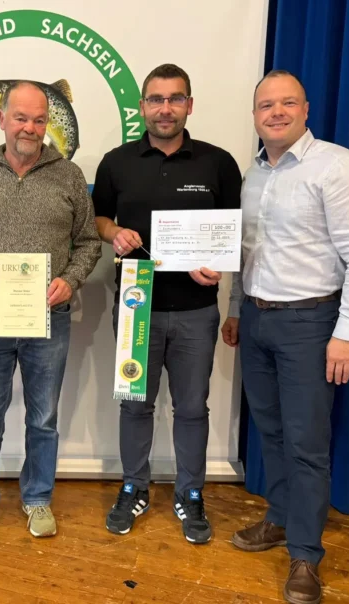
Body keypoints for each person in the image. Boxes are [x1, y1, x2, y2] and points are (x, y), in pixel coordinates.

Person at [222, 70, 349, 604]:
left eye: (287, 103)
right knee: (271, 433)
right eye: (266, 105)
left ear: (306, 109)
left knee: (307, 444)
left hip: (312, 326)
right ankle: (279, 518)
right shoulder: (253, 175)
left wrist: (348, 332)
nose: (276, 112)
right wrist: (236, 309)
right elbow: (245, 250)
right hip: (258, 320)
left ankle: (305, 555)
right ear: (255, 115)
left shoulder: (338, 167)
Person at [92, 63, 242, 541]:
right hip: (136, 305)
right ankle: (133, 486)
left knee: (192, 407)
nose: (165, 108)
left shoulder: (218, 163)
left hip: (197, 310)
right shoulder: (116, 162)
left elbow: (233, 233)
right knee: (135, 405)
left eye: (175, 98)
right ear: (142, 106)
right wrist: (114, 232)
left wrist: (216, 262)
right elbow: (98, 218)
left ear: (189, 105)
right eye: (156, 99)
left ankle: (190, 493)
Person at [0, 81, 101, 541]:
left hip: (49, 320)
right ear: (2, 119)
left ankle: (37, 498)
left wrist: (69, 280)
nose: (30, 128)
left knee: (43, 419)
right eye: (20, 118)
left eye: (38, 119)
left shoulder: (68, 176)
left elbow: (89, 242)